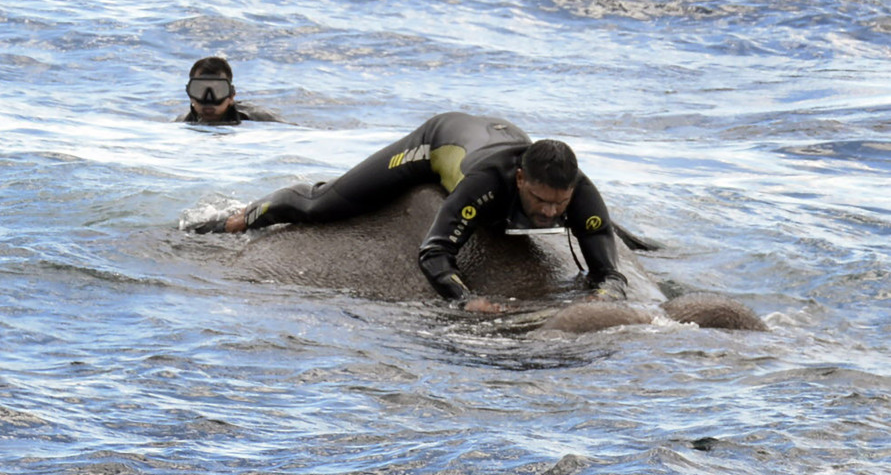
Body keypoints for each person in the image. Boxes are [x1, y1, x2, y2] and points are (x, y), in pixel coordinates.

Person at [190, 111, 628, 312]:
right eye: (540, 201)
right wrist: (466, 300)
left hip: (503, 133)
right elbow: (433, 253)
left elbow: (609, 272)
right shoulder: (486, 184)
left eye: (560, 205)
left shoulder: (577, 191)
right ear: (519, 180)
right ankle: (242, 216)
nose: (551, 213)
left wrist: (605, 296)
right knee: (322, 207)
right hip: (440, 141)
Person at [178, 56, 279, 125]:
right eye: (200, 91)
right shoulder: (180, 124)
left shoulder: (260, 119)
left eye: (218, 91)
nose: (209, 99)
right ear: (190, 95)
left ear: (231, 96)